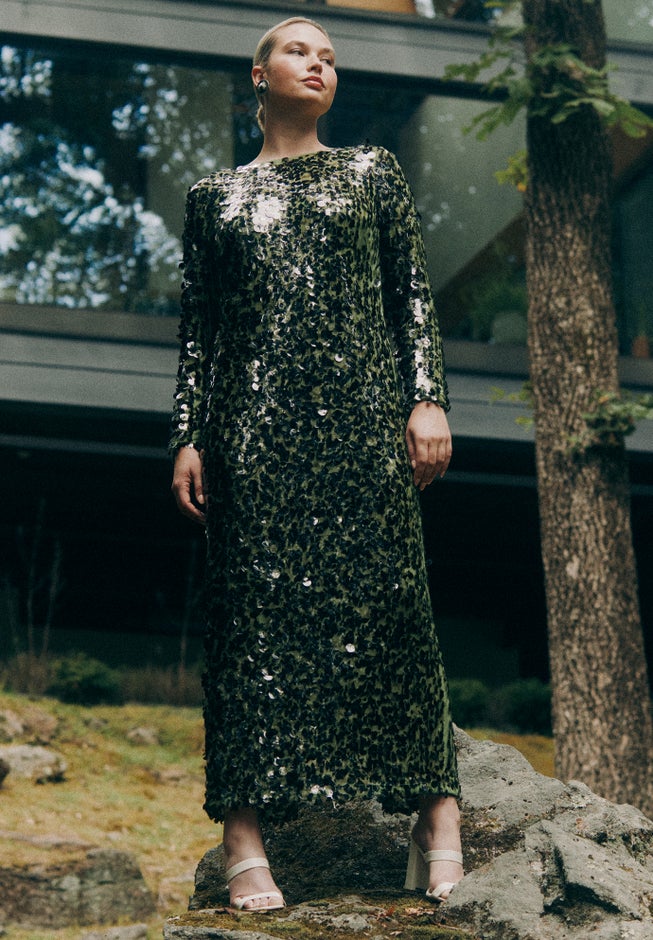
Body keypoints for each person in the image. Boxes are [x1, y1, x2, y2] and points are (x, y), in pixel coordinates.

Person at [170, 15, 463, 913]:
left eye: (330, 57)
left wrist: (426, 397)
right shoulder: (214, 198)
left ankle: (435, 815)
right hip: (251, 440)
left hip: (364, 429)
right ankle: (244, 837)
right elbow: (200, 332)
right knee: (249, 629)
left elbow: (411, 296)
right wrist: (187, 433)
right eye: (300, 51)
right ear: (258, 75)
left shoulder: (372, 171)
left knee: (394, 606)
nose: (319, 64)